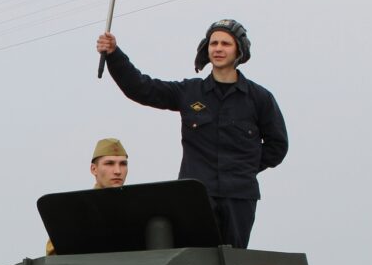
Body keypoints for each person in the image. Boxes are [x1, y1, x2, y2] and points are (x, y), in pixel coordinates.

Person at [95, 20, 288, 247]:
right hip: (195, 195)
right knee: (194, 261)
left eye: (225, 43)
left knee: (233, 262)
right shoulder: (190, 92)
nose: (218, 48)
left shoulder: (259, 98)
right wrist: (114, 55)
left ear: (239, 50)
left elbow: (278, 145)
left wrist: (244, 168)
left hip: (239, 197)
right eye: (213, 43)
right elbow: (142, 88)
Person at [46, 138, 129, 255]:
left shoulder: (137, 207)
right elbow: (55, 259)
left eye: (123, 164)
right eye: (109, 163)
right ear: (94, 169)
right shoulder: (73, 211)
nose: (117, 171)